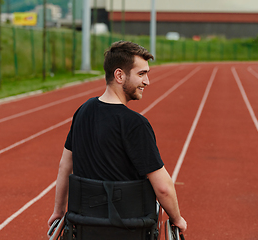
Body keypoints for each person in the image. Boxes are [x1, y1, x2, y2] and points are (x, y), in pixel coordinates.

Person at [47, 41, 187, 236]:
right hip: (129, 229)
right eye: (141, 74)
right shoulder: (135, 124)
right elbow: (163, 188)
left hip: (85, 228)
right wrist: (177, 219)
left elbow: (65, 165)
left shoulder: (83, 111)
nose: (147, 81)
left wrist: (58, 211)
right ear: (119, 75)